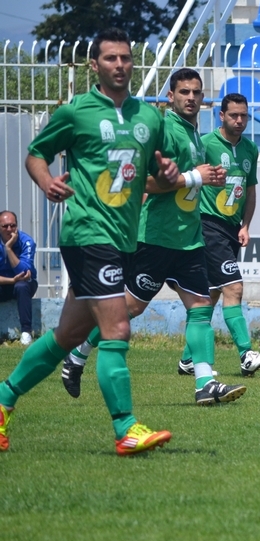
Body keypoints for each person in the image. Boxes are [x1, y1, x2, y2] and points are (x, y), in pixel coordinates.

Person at [7, 28, 177, 455]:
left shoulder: (149, 117)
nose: (120, 65)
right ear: (94, 65)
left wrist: (169, 176)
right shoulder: (76, 112)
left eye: (125, 57)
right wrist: (46, 181)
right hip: (87, 233)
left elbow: (157, 176)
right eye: (111, 58)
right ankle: (126, 429)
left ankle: (3, 400)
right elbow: (36, 154)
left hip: (123, 239)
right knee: (117, 327)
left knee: (67, 335)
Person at [60, 68, 247, 407]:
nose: (191, 98)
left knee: (201, 307)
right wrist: (195, 177)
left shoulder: (195, 134)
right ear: (170, 96)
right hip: (157, 238)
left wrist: (210, 178)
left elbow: (190, 180)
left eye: (196, 92)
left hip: (189, 238)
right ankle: (77, 354)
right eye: (184, 92)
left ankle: (205, 382)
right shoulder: (164, 130)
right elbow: (143, 181)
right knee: (129, 309)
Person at [178, 92, 260, 379]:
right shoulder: (205, 143)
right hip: (208, 224)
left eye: (244, 115)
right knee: (234, 288)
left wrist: (245, 225)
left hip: (232, 228)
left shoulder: (250, 149)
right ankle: (246, 354)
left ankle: (188, 359)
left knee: (212, 293)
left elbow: (250, 191)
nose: (239, 120)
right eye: (234, 115)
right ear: (221, 116)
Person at [0, 211, 38, 345]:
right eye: (5, 226)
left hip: (25, 283)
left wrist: (8, 249)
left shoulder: (26, 241)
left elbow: (23, 272)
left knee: (21, 286)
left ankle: (26, 332)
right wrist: (11, 280)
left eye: (13, 225)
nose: (9, 229)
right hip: (4, 283)